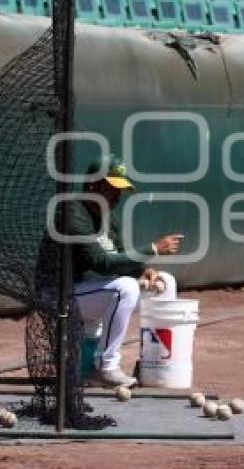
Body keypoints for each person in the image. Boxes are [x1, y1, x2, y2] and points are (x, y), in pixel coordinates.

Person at [64, 154, 183, 388]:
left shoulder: (109, 218)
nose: (118, 195)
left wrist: (142, 271)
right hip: (61, 294)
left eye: (120, 189)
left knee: (164, 282)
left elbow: (120, 257)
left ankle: (155, 364)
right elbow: (101, 263)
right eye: (111, 188)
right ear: (92, 186)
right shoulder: (72, 213)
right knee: (124, 289)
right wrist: (152, 249)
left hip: (92, 292)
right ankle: (105, 367)